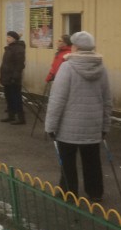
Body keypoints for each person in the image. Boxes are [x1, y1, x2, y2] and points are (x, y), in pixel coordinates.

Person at [44, 31, 112, 202]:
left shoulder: (67, 67)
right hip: (93, 125)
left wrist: (50, 125)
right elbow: (107, 100)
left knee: (67, 160)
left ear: (75, 47)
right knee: (92, 160)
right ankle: (95, 192)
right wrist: (105, 125)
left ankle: (69, 191)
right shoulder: (101, 67)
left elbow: (57, 99)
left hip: (68, 126)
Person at [0, 31, 26, 124]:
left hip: (14, 79)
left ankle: (21, 118)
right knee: (9, 97)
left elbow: (19, 65)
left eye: (9, 37)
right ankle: (11, 116)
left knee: (16, 98)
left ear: (15, 39)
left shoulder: (18, 49)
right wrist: (2, 76)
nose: (7, 39)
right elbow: (6, 64)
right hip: (7, 77)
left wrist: (15, 77)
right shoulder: (9, 48)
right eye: (7, 37)